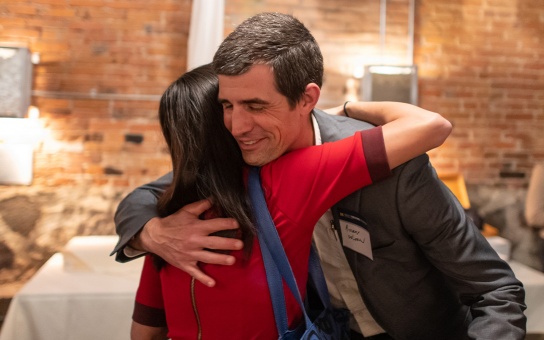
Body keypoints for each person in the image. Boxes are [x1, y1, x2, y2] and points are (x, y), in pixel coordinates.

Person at [113, 12, 526, 340]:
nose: (237, 126)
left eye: (256, 106)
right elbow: (147, 195)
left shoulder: (390, 164)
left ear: (307, 98)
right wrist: (151, 233)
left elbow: (494, 290)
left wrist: (354, 108)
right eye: (227, 106)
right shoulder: (242, 155)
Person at [130, 64, 450, 339]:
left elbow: (147, 329)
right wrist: (349, 108)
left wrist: (147, 233)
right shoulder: (288, 179)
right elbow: (429, 126)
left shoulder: (166, 223)